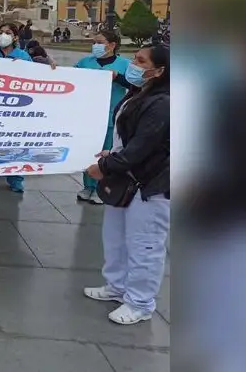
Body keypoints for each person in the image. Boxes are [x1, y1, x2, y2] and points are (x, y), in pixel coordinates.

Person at [82, 44, 169, 325]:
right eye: (135, 58)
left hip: (151, 184)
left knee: (145, 244)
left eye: (141, 61)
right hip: (126, 180)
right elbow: (129, 141)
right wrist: (112, 156)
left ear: (160, 70)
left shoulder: (164, 102)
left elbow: (143, 146)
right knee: (116, 237)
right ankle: (116, 287)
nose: (133, 64)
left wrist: (105, 167)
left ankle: (140, 303)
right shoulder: (139, 93)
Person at [0, 22, 54, 192]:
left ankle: (15, 178)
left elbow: (33, 79)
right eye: (1, 32)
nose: (4, 35)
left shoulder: (23, 57)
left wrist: (47, 67)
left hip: (16, 108)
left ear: (16, 37)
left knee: (15, 142)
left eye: (8, 32)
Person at [74, 30, 132, 204]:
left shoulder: (124, 64)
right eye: (94, 42)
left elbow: (134, 84)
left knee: (106, 152)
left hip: (110, 115)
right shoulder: (85, 62)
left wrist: (118, 77)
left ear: (112, 45)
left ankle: (102, 187)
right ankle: (88, 186)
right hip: (87, 114)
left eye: (99, 42)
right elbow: (71, 78)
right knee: (89, 151)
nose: (95, 45)